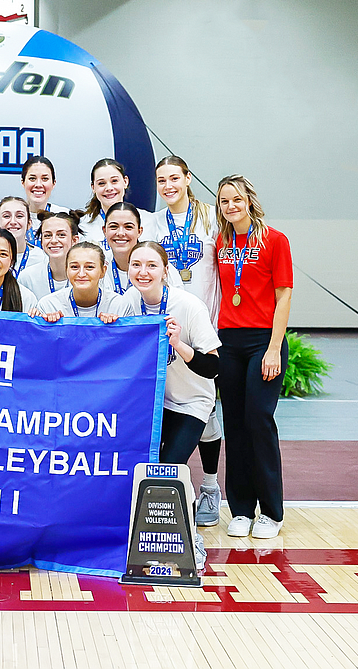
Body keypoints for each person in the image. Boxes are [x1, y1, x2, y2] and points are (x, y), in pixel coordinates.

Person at [122, 241, 219, 571]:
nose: (143, 272)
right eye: (136, 265)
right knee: (145, 469)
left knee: (170, 467)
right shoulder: (127, 303)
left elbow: (213, 367)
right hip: (152, 402)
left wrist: (179, 344)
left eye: (151, 265)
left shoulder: (188, 306)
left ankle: (192, 540)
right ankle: (144, 537)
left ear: (166, 270)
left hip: (192, 400)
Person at [214, 175, 293, 541]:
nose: (231, 206)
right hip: (229, 341)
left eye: (236, 199)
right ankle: (242, 509)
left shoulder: (275, 240)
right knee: (235, 424)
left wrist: (274, 348)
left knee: (258, 420)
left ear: (249, 201)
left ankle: (271, 512)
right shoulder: (221, 241)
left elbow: (284, 297)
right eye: (224, 201)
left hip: (263, 341)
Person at [154, 155, 224, 527]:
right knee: (180, 408)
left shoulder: (212, 217)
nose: (168, 186)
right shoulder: (152, 221)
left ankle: (211, 486)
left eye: (174, 178)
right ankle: (188, 489)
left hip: (206, 324)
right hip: (169, 325)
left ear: (188, 178)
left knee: (207, 409)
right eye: (161, 180)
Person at [36, 242, 131, 322]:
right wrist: (50, 326)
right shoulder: (49, 305)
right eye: (74, 267)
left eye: (89, 267)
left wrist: (116, 327)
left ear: (103, 271)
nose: (81, 274)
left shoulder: (120, 305)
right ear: (66, 270)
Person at [17, 211, 80, 300]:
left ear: (74, 240)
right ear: (41, 241)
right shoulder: (27, 277)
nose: (53, 240)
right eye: (47, 235)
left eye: (61, 235)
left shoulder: (87, 275)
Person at [78, 158, 130, 249]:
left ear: (125, 182)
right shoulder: (82, 226)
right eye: (102, 183)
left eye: (114, 181)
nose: (109, 188)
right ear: (93, 187)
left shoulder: (146, 221)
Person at [20, 156, 67, 246]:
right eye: (32, 179)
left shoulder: (64, 216)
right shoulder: (13, 218)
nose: (38, 184)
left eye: (45, 179)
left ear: (53, 183)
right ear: (23, 182)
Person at [0, 196, 47, 275]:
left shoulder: (41, 258)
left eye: (19, 216)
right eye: (6, 216)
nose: (13, 222)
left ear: (29, 224)